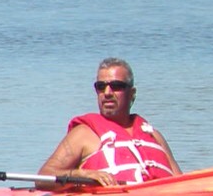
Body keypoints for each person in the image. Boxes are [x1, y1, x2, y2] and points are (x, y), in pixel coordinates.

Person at [38, 57, 182, 188]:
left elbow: (182, 182)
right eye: (100, 87)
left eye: (116, 86)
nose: (107, 92)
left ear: (132, 93)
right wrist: (84, 175)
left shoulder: (153, 135)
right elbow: (44, 178)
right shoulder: (83, 135)